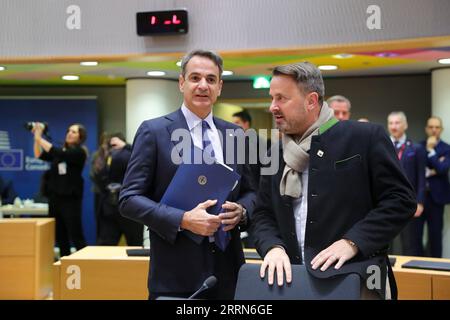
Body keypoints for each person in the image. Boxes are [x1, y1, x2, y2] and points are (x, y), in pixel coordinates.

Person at [251, 62, 416, 300]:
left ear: (311, 100)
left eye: (281, 98)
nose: (272, 107)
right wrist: (272, 248)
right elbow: (262, 214)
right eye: (272, 98)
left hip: (358, 279)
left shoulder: (365, 138)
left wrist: (353, 242)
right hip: (293, 282)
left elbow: (401, 201)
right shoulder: (274, 153)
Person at [119, 50, 256, 300]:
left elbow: (252, 192)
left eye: (211, 79)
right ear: (182, 83)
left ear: (220, 87)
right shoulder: (155, 131)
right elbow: (128, 199)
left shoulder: (237, 135)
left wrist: (243, 210)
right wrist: (183, 219)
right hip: (175, 274)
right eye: (195, 78)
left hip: (229, 274)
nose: (203, 85)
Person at [33, 123, 87, 257]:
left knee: (76, 235)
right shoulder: (60, 152)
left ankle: (86, 266)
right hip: (55, 199)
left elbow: (56, 152)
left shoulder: (79, 152)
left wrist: (39, 137)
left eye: (74, 132)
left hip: (70, 201)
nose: (69, 133)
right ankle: (64, 267)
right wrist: (36, 138)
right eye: (68, 130)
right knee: (60, 237)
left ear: (81, 137)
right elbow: (38, 154)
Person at [387, 111, 426, 256]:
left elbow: (422, 178)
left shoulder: (416, 149)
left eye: (397, 123)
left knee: (411, 242)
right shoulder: (382, 146)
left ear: (405, 125)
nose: (394, 126)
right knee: (385, 242)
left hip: (409, 202)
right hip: (386, 202)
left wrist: (420, 202)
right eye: (391, 123)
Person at [95, 133, 143, 246]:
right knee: (106, 248)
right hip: (112, 208)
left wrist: (127, 147)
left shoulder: (129, 154)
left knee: (134, 247)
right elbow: (98, 177)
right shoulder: (104, 157)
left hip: (130, 208)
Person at [418, 117, 450, 257]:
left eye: (437, 127)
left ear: (441, 130)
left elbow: (443, 169)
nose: (434, 130)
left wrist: (431, 150)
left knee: (435, 236)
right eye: (431, 127)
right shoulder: (418, 146)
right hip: (419, 199)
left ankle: (435, 268)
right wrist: (435, 165)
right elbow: (418, 170)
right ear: (426, 129)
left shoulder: (446, 148)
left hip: (437, 199)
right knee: (416, 236)